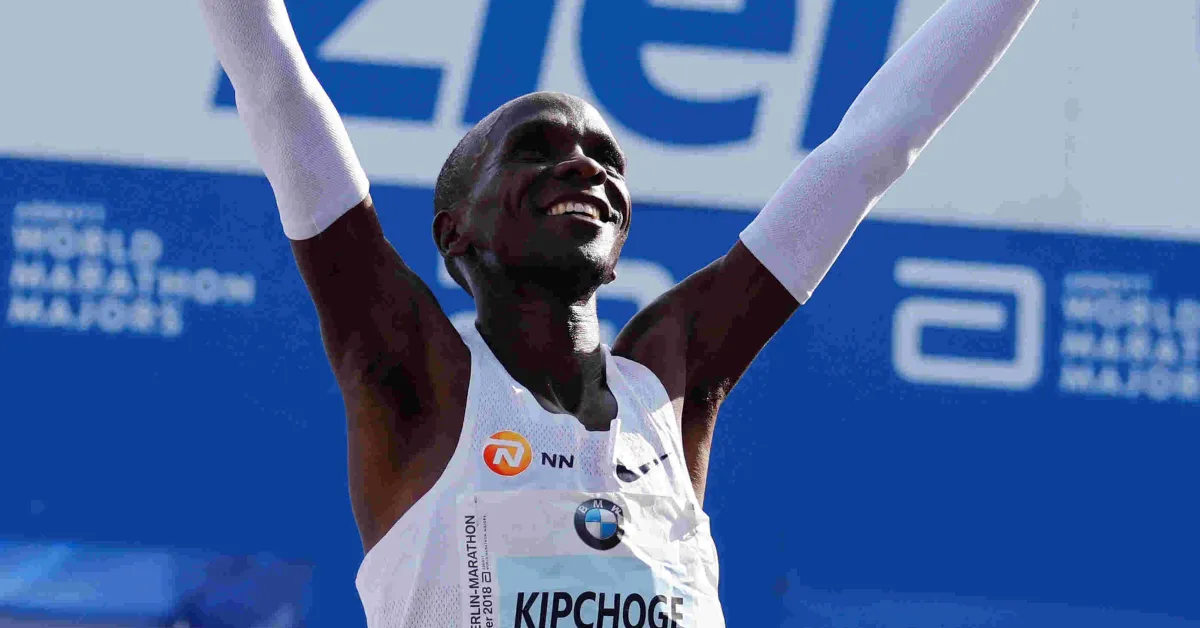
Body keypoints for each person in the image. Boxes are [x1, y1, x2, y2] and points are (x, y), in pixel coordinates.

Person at [198, 0, 1038, 625]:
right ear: (454, 234)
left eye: (606, 159)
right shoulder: (417, 382)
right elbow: (275, 87)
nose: (585, 167)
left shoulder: (669, 384)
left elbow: (871, 149)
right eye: (536, 149)